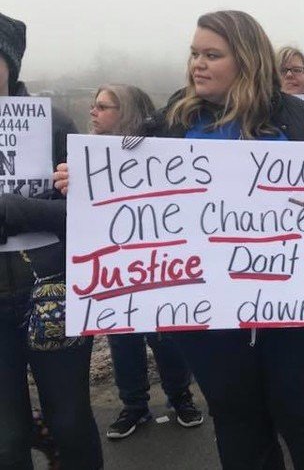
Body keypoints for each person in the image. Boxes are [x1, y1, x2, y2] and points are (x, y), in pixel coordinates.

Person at [60, 10, 304, 469]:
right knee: (238, 424)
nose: (197, 65)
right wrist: (83, 183)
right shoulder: (174, 118)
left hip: (302, 315)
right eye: (194, 54)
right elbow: (122, 186)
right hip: (212, 320)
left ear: (246, 60)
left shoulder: (300, 116)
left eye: (212, 54)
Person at [0, 10, 102, 470]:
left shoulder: (55, 123)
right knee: (6, 434)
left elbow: (93, 212)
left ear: (10, 64)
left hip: (52, 291)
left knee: (71, 421)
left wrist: (13, 210)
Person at [82, 84, 206, 439]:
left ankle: (180, 398)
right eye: (94, 105)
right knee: (122, 339)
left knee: (166, 335)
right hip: (112, 262)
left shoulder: (159, 151)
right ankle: (133, 406)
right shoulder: (84, 154)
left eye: (103, 106)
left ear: (128, 113)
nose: (93, 111)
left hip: (158, 260)